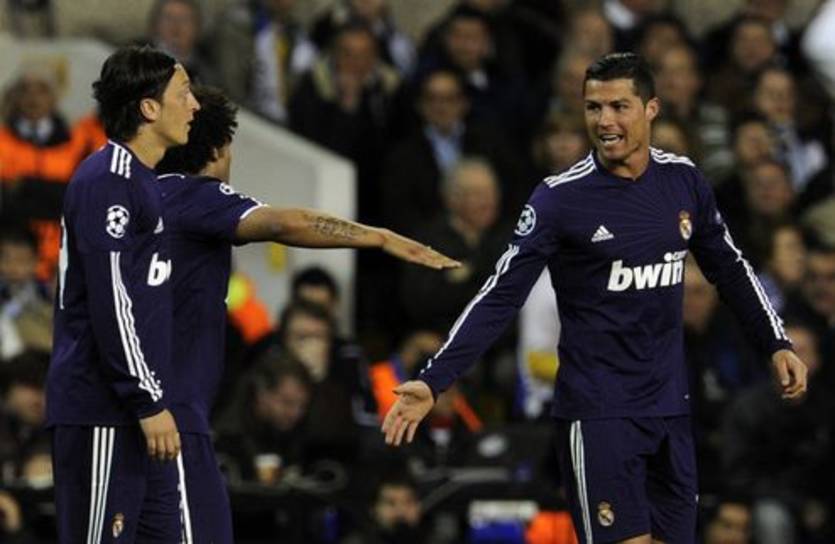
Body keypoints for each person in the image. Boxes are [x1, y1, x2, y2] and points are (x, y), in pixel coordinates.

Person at [382, 52, 808, 544]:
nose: (604, 121)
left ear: (651, 108)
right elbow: (500, 295)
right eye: (593, 107)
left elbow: (730, 268)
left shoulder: (683, 181)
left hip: (670, 407)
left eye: (619, 106)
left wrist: (776, 341)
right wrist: (435, 378)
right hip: (599, 413)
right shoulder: (559, 199)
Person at [154, 84, 458, 543]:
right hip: (173, 413)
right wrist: (379, 237)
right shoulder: (198, 195)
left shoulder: (141, 197)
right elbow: (286, 222)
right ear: (217, 151)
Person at [45, 45, 199, 543]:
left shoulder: (141, 181)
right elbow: (111, 300)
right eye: (184, 93)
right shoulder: (108, 181)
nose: (194, 105)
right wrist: (146, 401)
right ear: (149, 108)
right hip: (104, 411)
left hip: (140, 412)